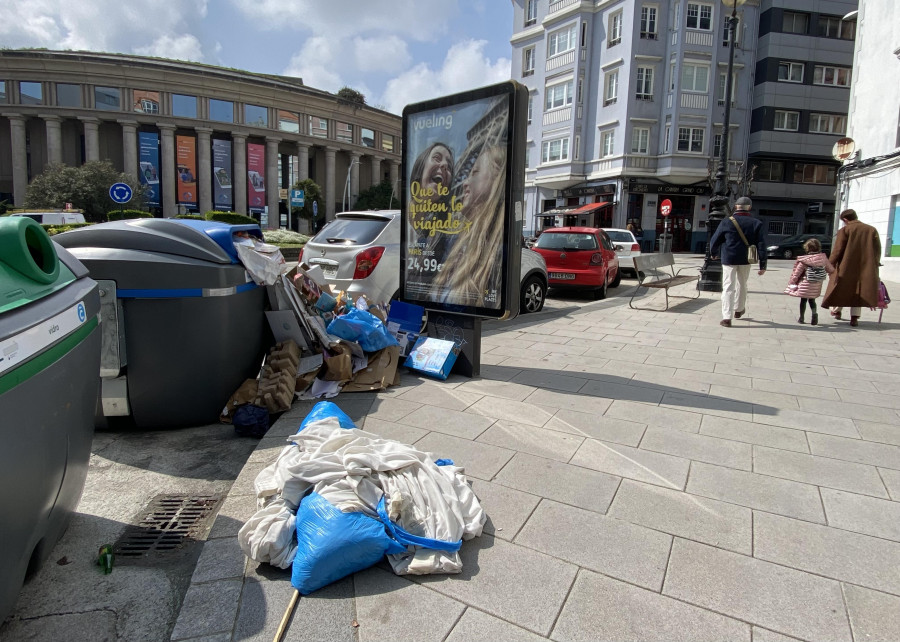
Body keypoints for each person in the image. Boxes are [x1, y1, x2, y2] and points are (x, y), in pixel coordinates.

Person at [430, 144, 507, 308]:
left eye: (475, 172)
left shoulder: (498, 252)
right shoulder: (457, 241)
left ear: (497, 180)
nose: (465, 182)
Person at [708, 196, 768, 327]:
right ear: (749, 208)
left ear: (736, 207)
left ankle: (726, 317)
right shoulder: (756, 223)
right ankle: (739, 309)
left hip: (729, 258)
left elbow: (715, 239)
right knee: (742, 284)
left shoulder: (727, 222)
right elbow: (761, 244)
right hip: (746, 259)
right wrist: (763, 264)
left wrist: (713, 253)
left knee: (728, 286)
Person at [823, 209, 881, 327]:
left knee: (840, 288)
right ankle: (854, 318)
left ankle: (836, 310)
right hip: (865, 267)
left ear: (845, 220)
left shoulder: (845, 230)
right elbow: (877, 249)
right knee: (858, 291)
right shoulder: (871, 230)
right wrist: (875, 263)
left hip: (846, 266)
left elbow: (837, 250)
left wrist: (830, 264)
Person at [784, 238, 834, 325]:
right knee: (812, 300)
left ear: (807, 248)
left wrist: (791, 283)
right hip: (816, 284)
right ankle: (814, 314)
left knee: (803, 300)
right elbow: (831, 269)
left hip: (805, 283)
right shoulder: (823, 258)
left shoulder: (804, 260)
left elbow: (797, 273)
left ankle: (801, 317)